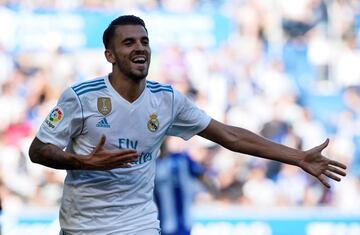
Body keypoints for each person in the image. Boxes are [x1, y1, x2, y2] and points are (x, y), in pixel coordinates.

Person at [28, 15, 347, 235]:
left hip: (140, 225)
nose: (139, 47)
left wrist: (298, 157)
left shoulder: (167, 100)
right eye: (128, 43)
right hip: (83, 227)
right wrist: (82, 162)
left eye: (144, 41)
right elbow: (38, 149)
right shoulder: (80, 98)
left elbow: (230, 136)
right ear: (110, 55)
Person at [154, 137, 219, 235]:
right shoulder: (154, 164)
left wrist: (214, 191)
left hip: (182, 223)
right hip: (163, 224)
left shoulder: (183, 159)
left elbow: (202, 177)